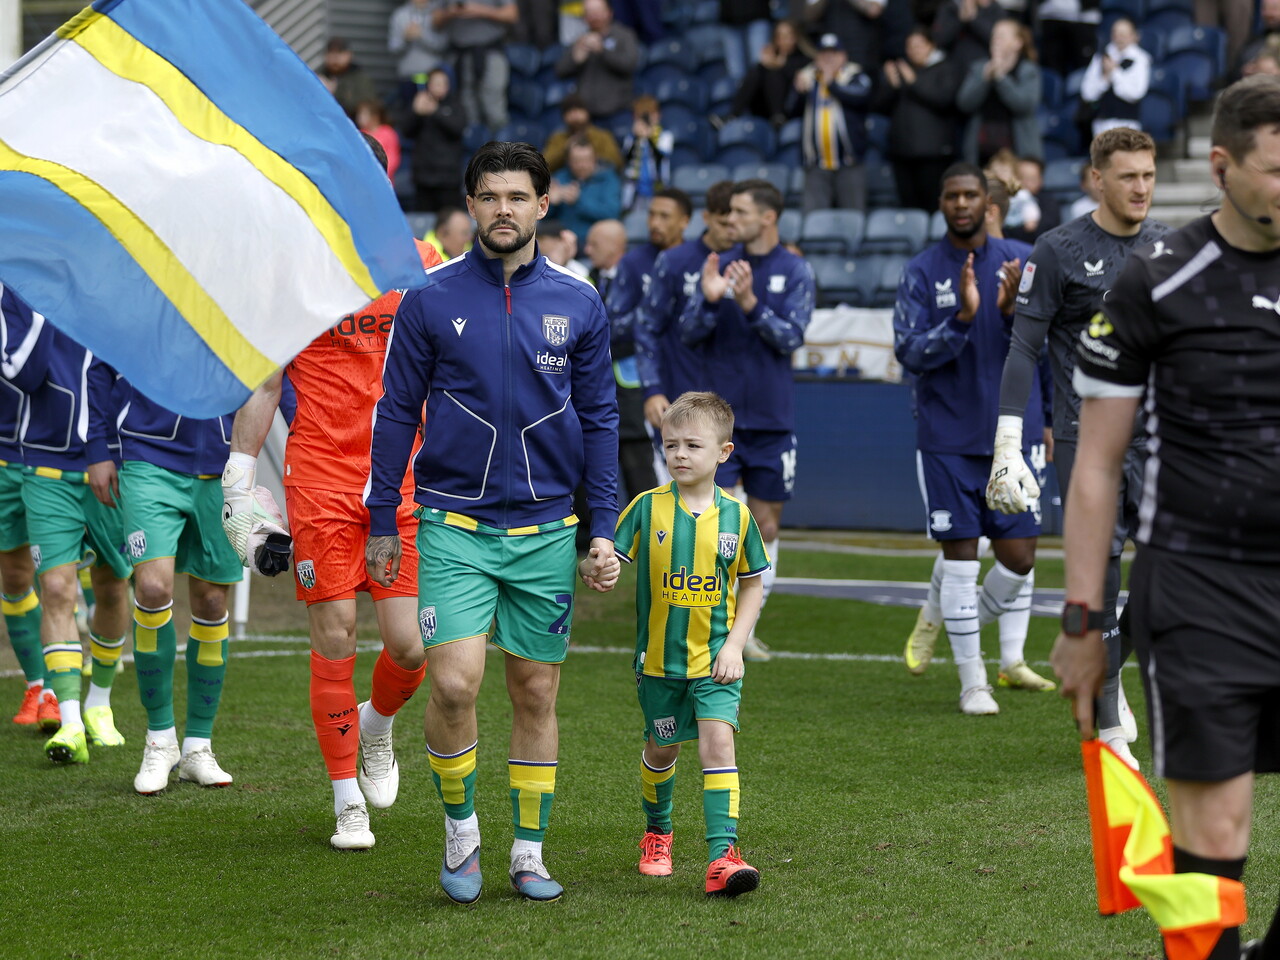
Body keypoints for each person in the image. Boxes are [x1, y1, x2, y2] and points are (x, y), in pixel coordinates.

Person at [1052, 74, 1280, 960]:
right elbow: (1096, 469)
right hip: (1201, 593)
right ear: (1221, 167)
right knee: (1212, 847)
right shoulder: (1159, 282)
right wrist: (1081, 619)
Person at [364, 140, 620, 904]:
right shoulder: (429, 298)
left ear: (544, 205)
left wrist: (599, 525)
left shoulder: (579, 302)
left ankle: (530, 852)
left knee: (536, 691)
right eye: (489, 196)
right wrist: (383, 517)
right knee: (453, 683)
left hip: (546, 531)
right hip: (451, 526)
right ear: (470, 206)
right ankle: (461, 833)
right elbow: (394, 414)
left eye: (518, 197)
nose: (502, 209)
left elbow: (603, 419)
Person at [225, 133, 440, 850]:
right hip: (318, 479)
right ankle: (346, 798)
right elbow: (264, 381)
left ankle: (376, 728)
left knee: (410, 649)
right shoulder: (290, 272)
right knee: (338, 634)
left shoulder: (421, 264)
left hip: (400, 483)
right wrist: (239, 473)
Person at [987, 126, 1167, 768]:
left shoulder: (1169, 246)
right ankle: (1109, 720)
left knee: (1171, 570)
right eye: (1128, 176)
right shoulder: (1059, 249)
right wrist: (1009, 437)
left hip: (1163, 435)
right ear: (1097, 179)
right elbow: (1024, 348)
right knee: (1101, 572)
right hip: (1085, 438)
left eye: (1148, 174)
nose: (1141, 187)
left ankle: (1112, 686)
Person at [893, 163, 1055, 714]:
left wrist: (1011, 316)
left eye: (971, 195)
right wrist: (962, 318)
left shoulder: (1024, 261)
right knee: (960, 558)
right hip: (947, 435)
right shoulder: (921, 270)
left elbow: (1046, 346)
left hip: (1016, 432)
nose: (961, 203)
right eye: (952, 195)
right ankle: (973, 684)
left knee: (1020, 558)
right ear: (941, 203)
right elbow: (908, 352)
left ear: (988, 203)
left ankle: (941, 613)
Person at [616, 391, 768, 896]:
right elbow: (609, 559)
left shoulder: (738, 518)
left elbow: (751, 583)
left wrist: (735, 646)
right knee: (662, 748)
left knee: (718, 742)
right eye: (671, 444)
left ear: (723, 453)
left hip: (716, 662)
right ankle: (658, 833)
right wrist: (600, 566)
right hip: (658, 662)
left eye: (693, 445)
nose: (679, 454)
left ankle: (722, 856)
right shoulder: (645, 509)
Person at [678, 179, 815, 662]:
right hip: (720, 423)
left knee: (767, 524)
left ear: (767, 217)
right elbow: (688, 333)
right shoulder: (714, 264)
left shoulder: (795, 269)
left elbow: (792, 336)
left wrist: (752, 302)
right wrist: (712, 298)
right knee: (719, 524)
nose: (729, 219)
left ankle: (744, 626)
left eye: (738, 212)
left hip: (773, 418)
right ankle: (713, 626)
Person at [0, 295, 132, 764]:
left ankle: (99, 701)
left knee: (113, 587)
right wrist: (46, 302)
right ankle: (70, 720)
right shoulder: (27, 293)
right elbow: (24, 372)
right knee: (55, 585)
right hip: (44, 460)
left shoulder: (117, 287)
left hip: (117, 459)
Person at [102, 385, 242, 794]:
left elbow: (271, 377)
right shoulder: (146, 315)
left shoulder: (243, 316)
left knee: (213, 600)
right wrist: (99, 449)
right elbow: (101, 369)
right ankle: (159, 739)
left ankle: (199, 746)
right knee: (150, 587)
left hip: (226, 466)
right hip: (149, 455)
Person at [636, 180, 737, 481]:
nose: (731, 229)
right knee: (680, 499)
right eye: (723, 222)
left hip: (740, 399)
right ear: (706, 218)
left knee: (734, 508)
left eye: (737, 221)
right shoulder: (674, 261)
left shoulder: (753, 262)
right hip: (680, 394)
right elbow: (646, 327)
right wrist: (652, 390)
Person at [602, 189, 692, 498]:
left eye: (665, 216)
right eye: (652, 215)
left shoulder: (697, 260)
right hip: (646, 379)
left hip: (693, 372)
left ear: (685, 221)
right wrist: (652, 312)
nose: (655, 223)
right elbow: (611, 324)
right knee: (660, 462)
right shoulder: (634, 263)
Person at [0, 292, 46, 729]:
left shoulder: (42, 287)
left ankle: (64, 692)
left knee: (61, 574)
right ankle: (37, 684)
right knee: (14, 576)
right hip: (3, 456)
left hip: (54, 454)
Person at [877, 26, 960, 213]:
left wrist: (914, 82)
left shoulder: (945, 68)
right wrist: (892, 85)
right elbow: (880, 107)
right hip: (902, 153)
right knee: (908, 208)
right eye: (910, 46)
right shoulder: (901, 71)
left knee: (934, 206)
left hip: (933, 155)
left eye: (919, 45)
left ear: (931, 45)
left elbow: (944, 100)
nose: (914, 50)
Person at [789, 32, 873, 213]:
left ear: (843, 56)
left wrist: (831, 83)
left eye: (833, 54)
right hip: (816, 164)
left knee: (853, 217)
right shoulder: (808, 77)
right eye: (823, 54)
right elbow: (790, 110)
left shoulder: (855, 75)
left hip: (849, 162)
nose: (828, 58)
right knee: (814, 220)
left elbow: (860, 97)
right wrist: (798, 92)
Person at [956, 19, 1042, 166]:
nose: (995, 39)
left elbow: (1024, 105)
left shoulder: (1028, 70)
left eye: (1001, 36)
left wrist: (1001, 78)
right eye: (994, 35)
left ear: (1017, 43)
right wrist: (984, 78)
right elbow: (964, 103)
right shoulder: (979, 68)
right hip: (981, 153)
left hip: (1017, 153)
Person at [433, 0, 517, 130]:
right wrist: (450, 12)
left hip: (490, 51)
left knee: (493, 107)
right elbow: (435, 21)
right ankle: (474, 147)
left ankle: (502, 149)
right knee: (467, 108)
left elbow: (512, 14)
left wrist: (481, 10)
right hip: (460, 53)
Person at [554, 0, 640, 120]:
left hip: (619, 112)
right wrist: (575, 59)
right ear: (584, 17)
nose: (594, 16)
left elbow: (629, 64)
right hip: (588, 115)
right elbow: (560, 71)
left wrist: (603, 51)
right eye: (589, 13)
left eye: (597, 12)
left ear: (609, 13)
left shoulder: (624, 35)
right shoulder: (581, 39)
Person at [404, 66, 466, 213]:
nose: (440, 87)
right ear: (428, 85)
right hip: (423, 177)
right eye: (436, 83)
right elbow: (406, 131)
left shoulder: (455, 104)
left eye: (444, 83)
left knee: (449, 220)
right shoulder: (419, 103)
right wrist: (416, 113)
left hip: (448, 178)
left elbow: (458, 129)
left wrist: (435, 112)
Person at [1079, 18, 1151, 139]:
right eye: (1116, 33)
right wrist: (1104, 79)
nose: (1119, 38)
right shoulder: (1101, 57)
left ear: (1134, 36)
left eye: (1123, 34)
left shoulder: (1140, 59)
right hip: (1101, 123)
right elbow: (1087, 93)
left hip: (1127, 124)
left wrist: (1114, 72)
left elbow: (1136, 93)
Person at [730, 19, 808, 128]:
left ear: (795, 37)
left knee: (774, 74)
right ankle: (733, 115)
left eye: (788, 35)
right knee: (756, 72)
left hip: (791, 108)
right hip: (763, 108)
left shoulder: (803, 59)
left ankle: (778, 116)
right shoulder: (770, 58)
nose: (784, 40)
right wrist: (762, 65)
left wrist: (781, 66)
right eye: (780, 36)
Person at [548, 137, 622, 244]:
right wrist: (551, 203)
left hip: (594, 241)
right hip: (562, 241)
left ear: (595, 158)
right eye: (577, 161)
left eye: (587, 160)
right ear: (568, 161)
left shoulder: (608, 179)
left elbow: (612, 213)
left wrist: (579, 201)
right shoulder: (560, 178)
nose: (582, 165)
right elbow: (542, 218)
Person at [618, 95, 673, 213]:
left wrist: (649, 138)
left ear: (658, 115)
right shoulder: (631, 138)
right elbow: (626, 159)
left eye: (651, 114)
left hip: (657, 186)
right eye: (642, 115)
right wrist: (636, 138)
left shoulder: (664, 136)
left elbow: (661, 157)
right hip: (635, 188)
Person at [542, 93, 623, 173]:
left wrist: (591, 151)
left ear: (587, 113)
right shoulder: (557, 138)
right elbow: (544, 166)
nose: (575, 115)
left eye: (579, 109)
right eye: (569, 111)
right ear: (563, 117)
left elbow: (617, 163)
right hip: (566, 183)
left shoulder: (602, 136)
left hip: (599, 181)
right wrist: (566, 148)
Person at [317, 37, 378, 122]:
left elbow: (365, 106)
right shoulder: (319, 76)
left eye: (340, 52)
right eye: (331, 52)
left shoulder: (359, 77)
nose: (335, 57)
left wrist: (334, 93)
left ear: (349, 54)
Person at [388, 0, 447, 81]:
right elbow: (393, 48)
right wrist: (406, 40)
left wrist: (422, 35)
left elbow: (443, 46)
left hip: (433, 75)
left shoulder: (437, 14)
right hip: (408, 74)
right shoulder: (400, 15)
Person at [357, 100, 402, 182]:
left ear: (375, 116)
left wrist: (380, 173)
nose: (359, 118)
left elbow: (393, 158)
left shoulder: (388, 133)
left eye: (364, 114)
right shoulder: (359, 134)